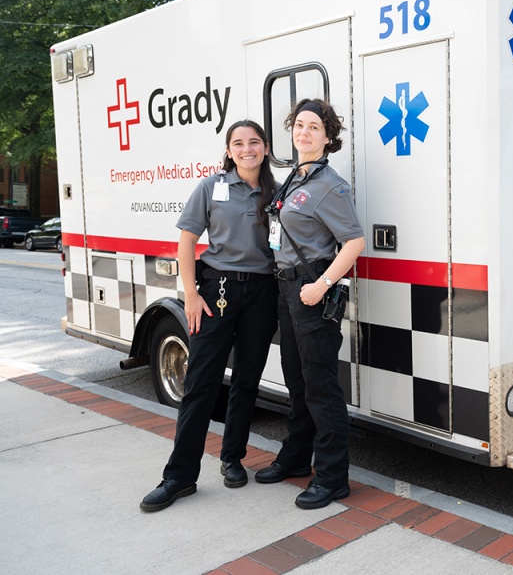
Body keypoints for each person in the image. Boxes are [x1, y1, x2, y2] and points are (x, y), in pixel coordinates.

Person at [140, 120, 278, 512]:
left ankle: (232, 458)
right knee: (201, 382)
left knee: (248, 380)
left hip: (263, 293)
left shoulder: (276, 193)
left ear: (265, 148)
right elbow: (186, 241)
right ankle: (179, 476)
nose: (247, 148)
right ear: (229, 150)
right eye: (239, 143)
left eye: (254, 142)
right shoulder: (210, 187)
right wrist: (190, 295)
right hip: (217, 291)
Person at [254, 98, 364, 510]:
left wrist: (322, 284)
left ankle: (333, 477)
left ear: (328, 136)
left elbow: (354, 241)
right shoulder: (294, 179)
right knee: (296, 381)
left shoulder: (329, 185)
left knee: (321, 387)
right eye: (299, 125)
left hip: (311, 291)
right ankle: (297, 457)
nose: (304, 132)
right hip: (287, 291)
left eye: (314, 127)